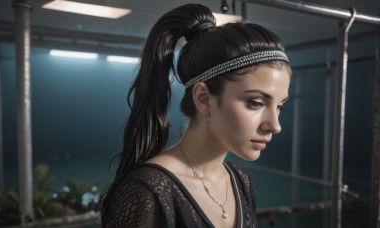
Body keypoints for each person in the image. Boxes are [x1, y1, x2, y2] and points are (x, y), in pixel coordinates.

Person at [100, 3, 291, 228]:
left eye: (279, 107)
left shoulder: (240, 180)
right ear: (203, 98)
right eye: (256, 103)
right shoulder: (149, 191)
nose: (275, 125)